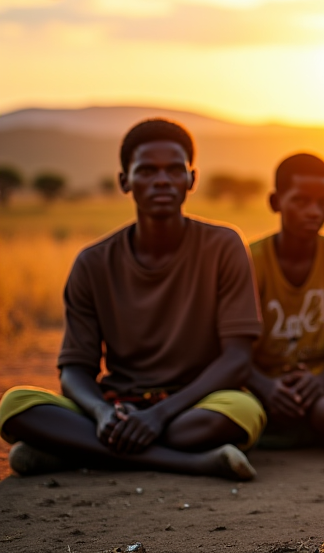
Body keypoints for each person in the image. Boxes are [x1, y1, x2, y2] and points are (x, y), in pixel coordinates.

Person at [0, 119, 265, 480]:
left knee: (241, 411)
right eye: (147, 171)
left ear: (191, 179)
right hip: (118, 406)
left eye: (174, 170)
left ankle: (72, 450)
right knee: (15, 404)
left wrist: (160, 414)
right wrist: (101, 413)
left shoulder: (224, 246)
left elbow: (237, 358)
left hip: (196, 404)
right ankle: (189, 463)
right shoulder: (92, 263)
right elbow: (76, 370)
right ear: (125, 181)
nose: (161, 180)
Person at [248, 153, 324, 449]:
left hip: (316, 379)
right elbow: (234, 350)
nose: (314, 211)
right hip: (261, 379)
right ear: (275, 202)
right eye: (301, 201)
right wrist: (265, 386)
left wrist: (321, 381)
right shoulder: (250, 261)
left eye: (323, 202)